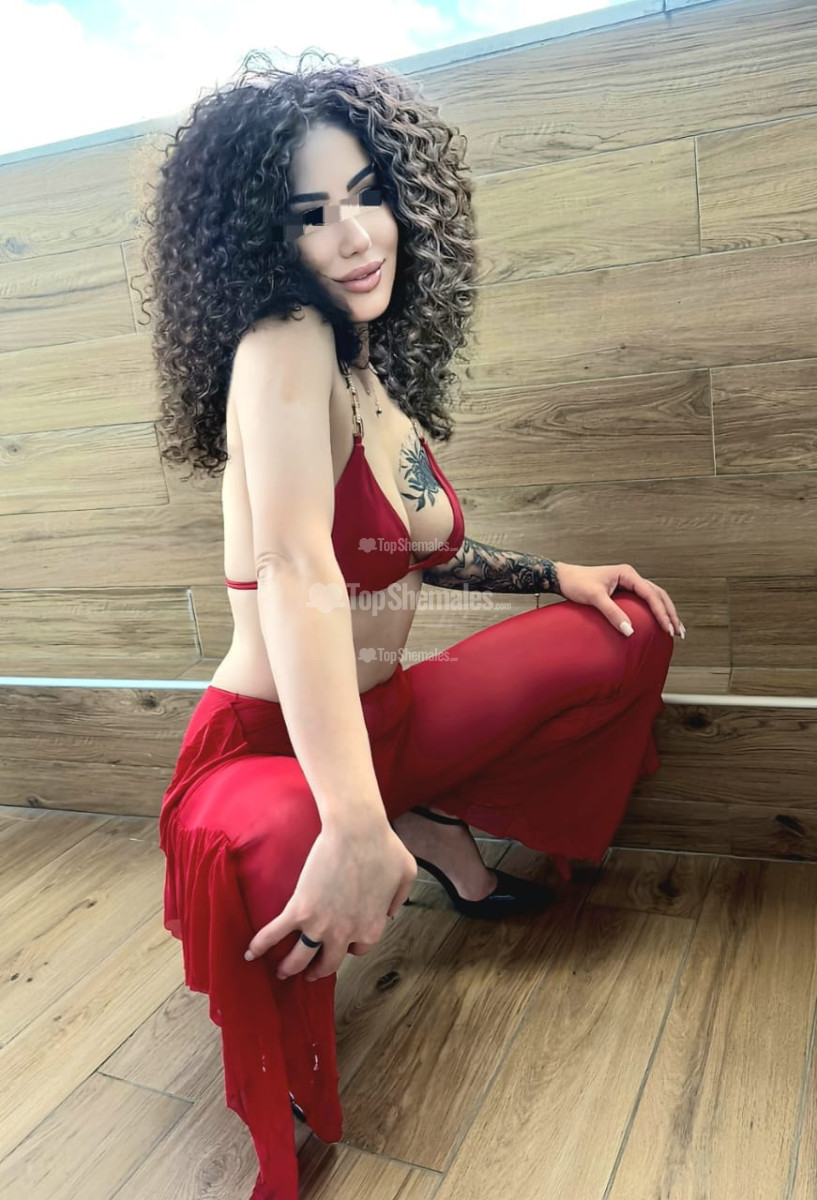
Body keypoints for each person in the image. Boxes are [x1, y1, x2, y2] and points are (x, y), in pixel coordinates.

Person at [138, 46, 682, 1200]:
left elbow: (433, 555)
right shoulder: (281, 344)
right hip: (266, 752)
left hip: (380, 721)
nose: (354, 236)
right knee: (295, 834)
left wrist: (563, 573)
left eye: (367, 195)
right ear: (259, 241)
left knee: (626, 626)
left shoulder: (371, 374)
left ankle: (419, 820)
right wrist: (348, 819)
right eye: (310, 216)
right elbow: (295, 565)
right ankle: (356, 877)